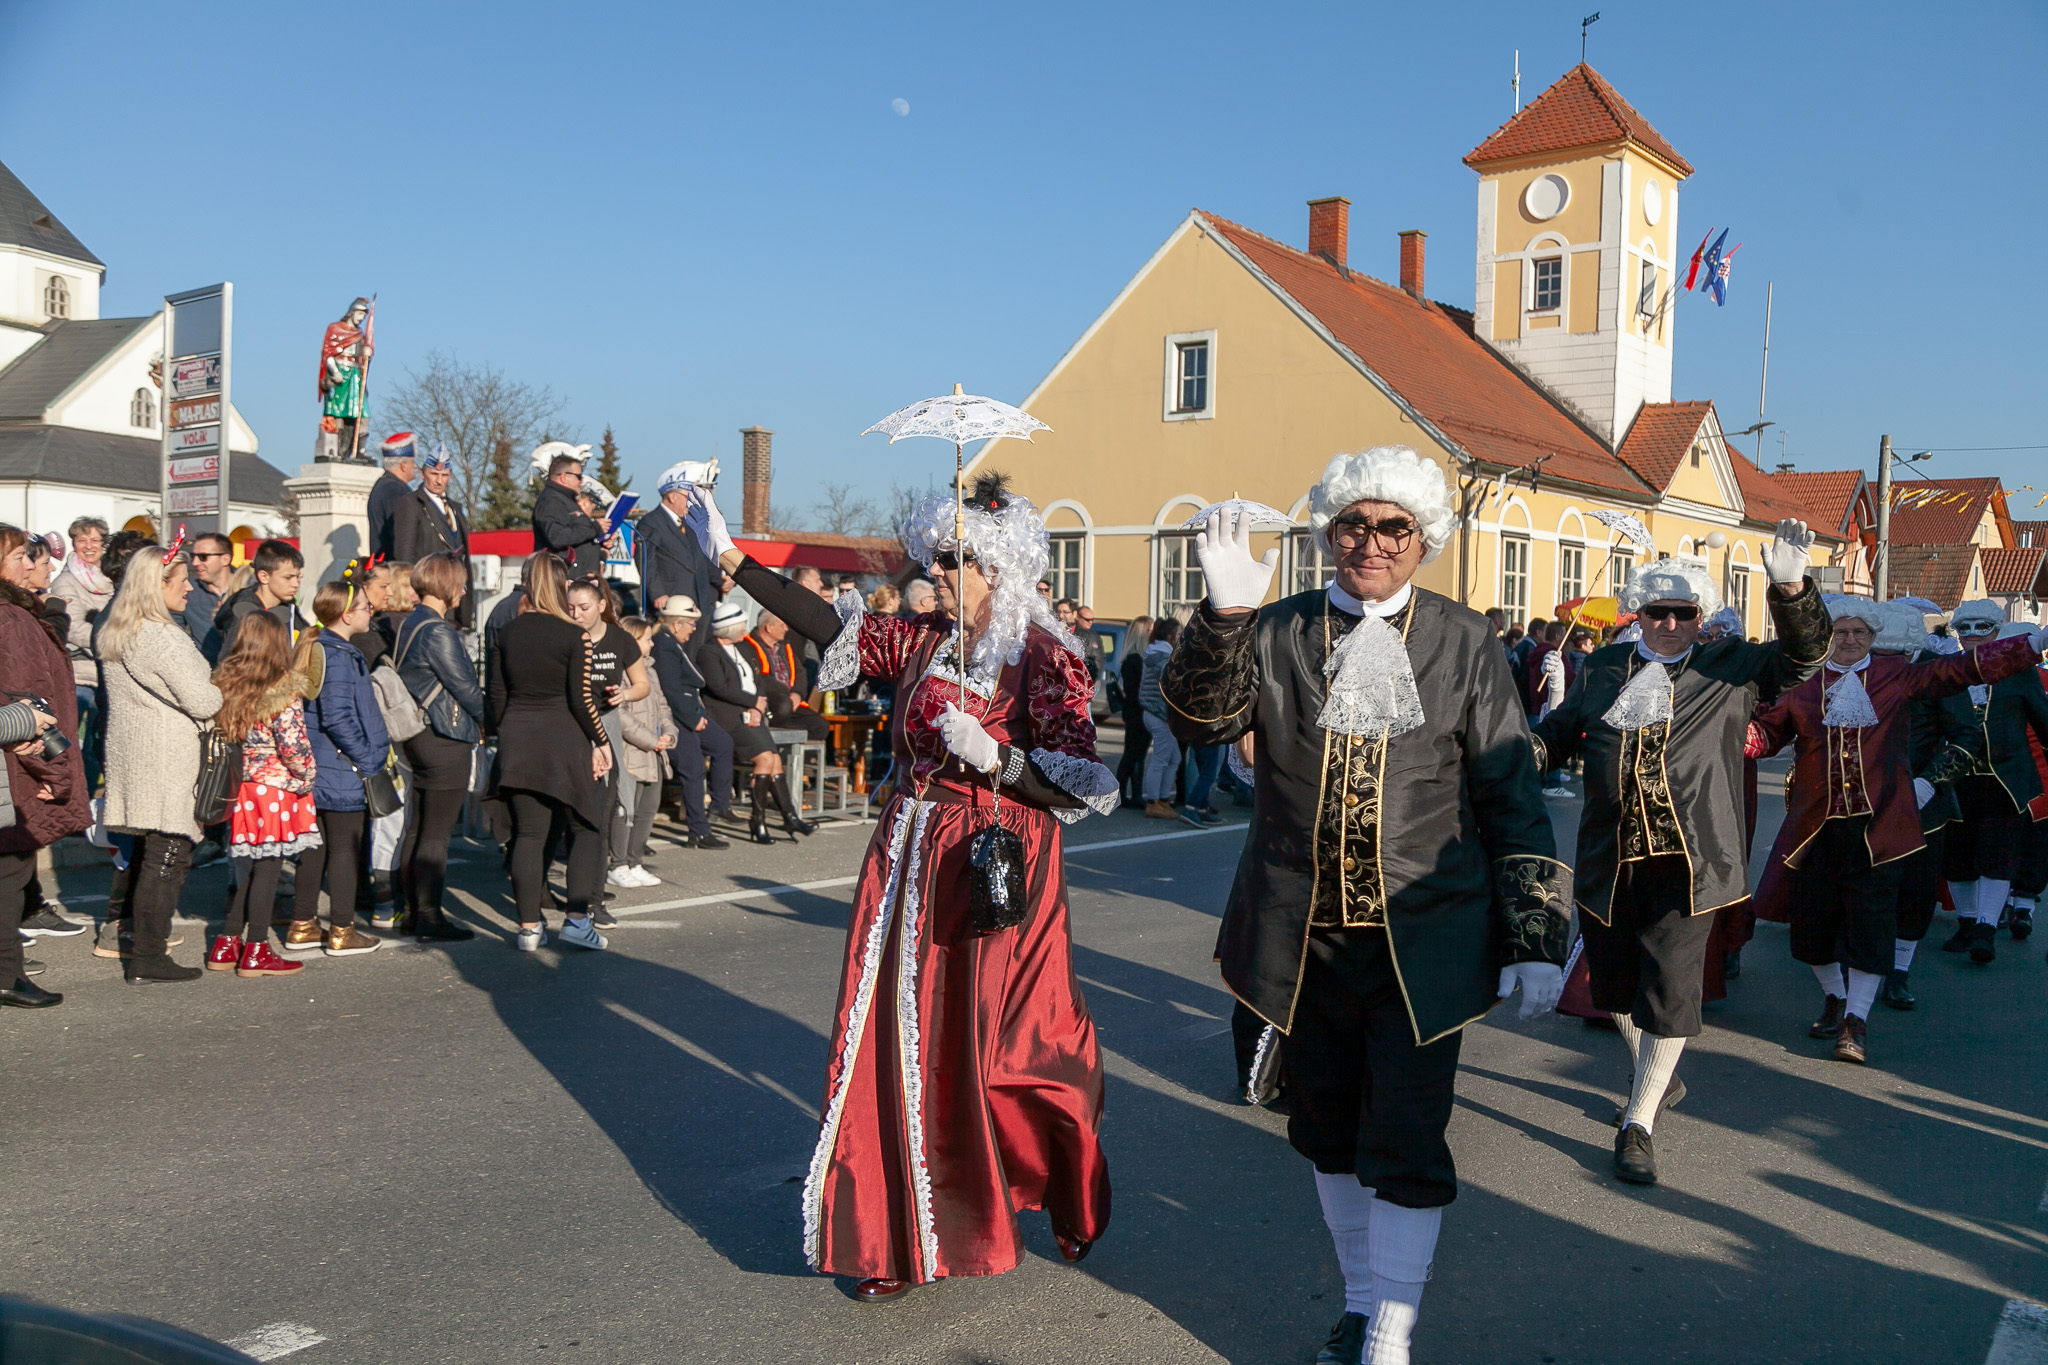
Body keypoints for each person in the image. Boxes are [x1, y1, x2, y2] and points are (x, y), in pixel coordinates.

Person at [1159, 448, 1567, 1365]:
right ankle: (1357, 1301)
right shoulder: (1276, 629)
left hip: (1429, 940)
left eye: (1393, 528)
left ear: (1423, 539)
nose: (1370, 544)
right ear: (1329, 531)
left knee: (1409, 1137)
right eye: (1354, 525)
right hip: (1301, 936)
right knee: (1325, 1130)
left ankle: (1393, 1329)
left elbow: (1510, 790)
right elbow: (1196, 722)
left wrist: (1536, 932)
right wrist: (1224, 614)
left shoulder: (1465, 641)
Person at [683, 471, 1120, 1302]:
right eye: (937, 559)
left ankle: (1049, 1172)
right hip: (910, 857)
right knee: (895, 1041)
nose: (939, 573)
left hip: (993, 864)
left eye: (957, 560)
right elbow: (825, 624)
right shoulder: (922, 639)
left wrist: (1000, 758)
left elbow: (1084, 784)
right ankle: (900, 1235)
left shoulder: (1043, 654)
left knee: (998, 1052)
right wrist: (735, 558)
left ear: (1001, 566)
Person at [1531, 526, 1828, 1187]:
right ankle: (1653, 1079)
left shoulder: (1729, 665)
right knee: (1615, 989)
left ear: (1700, 616)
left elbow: (1805, 656)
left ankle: (1638, 1121)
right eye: (1657, 612)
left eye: (1683, 612)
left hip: (1690, 862)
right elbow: (1558, 737)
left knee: (1667, 989)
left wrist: (1791, 589)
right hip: (1609, 859)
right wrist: (1516, 750)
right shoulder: (1605, 667)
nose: (1669, 623)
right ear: (1637, 612)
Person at [1748, 598, 2044, 1063]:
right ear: (1828, 637)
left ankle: (1856, 1020)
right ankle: (1834, 997)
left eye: (1859, 633)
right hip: (1815, 829)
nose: (1849, 640)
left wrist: (2030, 645)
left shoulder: (1897, 675)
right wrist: (1724, 731)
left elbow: (1963, 669)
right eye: (1840, 632)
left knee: (1871, 927)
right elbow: (1765, 737)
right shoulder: (1804, 687)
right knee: (1810, 930)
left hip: (1881, 830)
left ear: (1873, 637)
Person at [96, 545, 223, 983]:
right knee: (169, 855)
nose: (190, 586)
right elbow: (204, 700)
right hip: (167, 754)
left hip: (136, 751)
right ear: (157, 586)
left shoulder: (118, 629)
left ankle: (138, 943)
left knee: (149, 853)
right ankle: (149, 956)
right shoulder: (162, 636)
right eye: (180, 579)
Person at [487, 552, 611, 952]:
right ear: (562, 586)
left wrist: (503, 735)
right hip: (564, 740)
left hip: (518, 740)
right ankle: (577, 919)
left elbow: (496, 695)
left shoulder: (507, 632)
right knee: (587, 826)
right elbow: (581, 700)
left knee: (528, 833)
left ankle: (528, 928)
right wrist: (601, 741)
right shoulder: (574, 635)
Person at [0, 525, 89, 1007]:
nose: (36, 564)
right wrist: (57, 776)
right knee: (11, 874)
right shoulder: (12, 620)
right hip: (18, 773)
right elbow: (33, 708)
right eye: (20, 556)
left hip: (12, 766)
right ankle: (7, 976)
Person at [1935, 600, 2048, 963]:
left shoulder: (2021, 672)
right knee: (1958, 855)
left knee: (1999, 855)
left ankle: (1985, 928)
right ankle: (1967, 922)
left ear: (1997, 631)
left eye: (1981, 627)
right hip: (1954, 778)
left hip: (2005, 778)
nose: (1971, 636)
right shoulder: (1942, 671)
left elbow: (2043, 721)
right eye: (1963, 629)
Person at [284, 581, 392, 958]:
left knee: (315, 848)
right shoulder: (340, 654)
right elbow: (338, 716)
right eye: (364, 606)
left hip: (320, 763)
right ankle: (343, 929)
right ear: (346, 615)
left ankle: (303, 924)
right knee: (345, 848)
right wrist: (367, 757)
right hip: (340, 764)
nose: (370, 611)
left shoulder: (318, 647)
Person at [206, 613, 317, 979]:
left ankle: (227, 942)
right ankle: (256, 949)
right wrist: (308, 775)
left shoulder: (226, 684)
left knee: (249, 867)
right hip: (275, 787)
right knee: (268, 867)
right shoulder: (282, 689)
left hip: (241, 786)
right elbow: (293, 745)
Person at [392, 554, 485, 942]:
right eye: (461, 583)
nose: (464, 590)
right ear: (446, 586)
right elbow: (466, 688)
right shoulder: (438, 631)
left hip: (419, 736)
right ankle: (430, 915)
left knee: (418, 825)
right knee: (437, 832)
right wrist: (492, 721)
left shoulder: (410, 622)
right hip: (444, 738)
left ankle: (413, 910)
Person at [567, 578, 649, 909]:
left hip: (607, 721)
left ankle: (595, 888)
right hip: (572, 723)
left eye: (583, 608)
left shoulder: (620, 640)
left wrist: (624, 694)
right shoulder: (567, 635)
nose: (576, 615)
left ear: (601, 606)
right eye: (570, 608)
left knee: (607, 804)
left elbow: (642, 684)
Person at [702, 600, 813, 844]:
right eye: (741, 626)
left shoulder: (742, 648)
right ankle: (760, 819)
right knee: (764, 759)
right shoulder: (709, 652)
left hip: (753, 712)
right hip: (728, 716)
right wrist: (753, 702)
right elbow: (720, 687)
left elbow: (758, 676)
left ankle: (787, 816)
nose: (745, 630)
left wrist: (759, 700)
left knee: (774, 760)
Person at [649, 596, 733, 850]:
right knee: (694, 770)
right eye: (691, 624)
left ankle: (719, 805)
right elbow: (671, 689)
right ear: (676, 624)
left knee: (723, 744)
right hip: (678, 716)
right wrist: (693, 718)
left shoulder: (670, 642)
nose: (694, 628)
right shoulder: (663, 645)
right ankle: (698, 830)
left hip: (690, 711)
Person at [611, 616, 678, 886]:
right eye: (647, 638)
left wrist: (669, 733)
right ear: (632, 640)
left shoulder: (650, 670)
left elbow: (663, 706)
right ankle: (617, 864)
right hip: (631, 750)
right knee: (625, 809)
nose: (652, 643)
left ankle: (634, 861)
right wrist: (651, 739)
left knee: (647, 809)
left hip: (654, 751)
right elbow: (619, 715)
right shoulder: (619, 671)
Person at [49, 516, 112, 787]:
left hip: (108, 674)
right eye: (82, 540)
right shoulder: (66, 580)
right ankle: (76, 799)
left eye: (95, 540)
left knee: (102, 744)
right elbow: (73, 628)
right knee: (75, 742)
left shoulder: (112, 578)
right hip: (80, 676)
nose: (89, 546)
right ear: (73, 542)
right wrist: (114, 640)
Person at [635, 462, 722, 651]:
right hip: (672, 601)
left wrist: (720, 581)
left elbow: (701, 557)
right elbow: (646, 560)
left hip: (699, 602)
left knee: (696, 653)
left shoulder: (689, 524)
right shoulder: (651, 523)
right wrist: (657, 592)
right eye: (687, 497)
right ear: (672, 496)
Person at [391, 444, 474, 628]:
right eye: (434, 474)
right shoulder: (411, 504)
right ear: (422, 474)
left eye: (444, 476)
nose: (439, 481)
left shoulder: (455, 508)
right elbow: (404, 555)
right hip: (428, 597)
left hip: (455, 600)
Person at [742, 609, 830, 742]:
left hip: (791, 701)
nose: (786, 628)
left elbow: (800, 672)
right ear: (768, 627)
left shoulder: (784, 647)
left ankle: (799, 759)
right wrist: (785, 693)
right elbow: (759, 677)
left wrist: (797, 693)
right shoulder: (748, 646)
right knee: (784, 706)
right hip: (770, 701)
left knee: (820, 725)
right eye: (782, 625)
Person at [214, 539, 308, 658]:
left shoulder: (289, 607)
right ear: (264, 577)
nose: (296, 584)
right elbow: (229, 662)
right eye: (288, 577)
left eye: (298, 577)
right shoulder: (243, 613)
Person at [531, 447, 609, 580]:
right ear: (564, 477)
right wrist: (595, 528)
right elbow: (557, 537)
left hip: (580, 581)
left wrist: (600, 539)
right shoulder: (551, 501)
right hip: (564, 582)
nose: (581, 481)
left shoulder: (567, 500)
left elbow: (578, 535)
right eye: (578, 476)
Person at [1137, 616, 1180, 818]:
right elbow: (1174, 685)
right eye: (1179, 634)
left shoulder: (1155, 652)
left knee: (1174, 758)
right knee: (1161, 759)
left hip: (1153, 712)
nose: (1181, 637)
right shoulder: (1164, 657)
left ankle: (1162, 800)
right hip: (1160, 714)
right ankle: (1154, 802)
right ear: (1171, 636)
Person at [180, 532, 236, 664]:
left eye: (203, 557)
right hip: (205, 677)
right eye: (193, 556)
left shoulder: (250, 588)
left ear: (225, 559)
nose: (195, 563)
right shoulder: (188, 593)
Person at [1115, 617, 1154, 806]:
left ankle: (1135, 794)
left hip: (1139, 712)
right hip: (1136, 713)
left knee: (1138, 755)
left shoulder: (1140, 658)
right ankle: (1121, 794)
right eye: (1150, 630)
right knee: (1132, 754)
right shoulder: (1134, 660)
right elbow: (1134, 691)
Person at [367, 434, 419, 559]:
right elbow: (402, 532)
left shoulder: (384, 485)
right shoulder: (394, 490)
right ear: (403, 465)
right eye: (413, 462)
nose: (415, 466)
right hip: (394, 568)